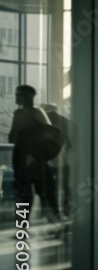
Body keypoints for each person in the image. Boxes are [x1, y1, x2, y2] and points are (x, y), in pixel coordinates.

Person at [9, 85, 59, 221]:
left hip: (31, 159)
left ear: (25, 96)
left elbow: (13, 137)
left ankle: (27, 224)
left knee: (36, 193)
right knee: (38, 193)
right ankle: (52, 223)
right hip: (29, 159)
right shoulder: (25, 113)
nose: (16, 97)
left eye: (18, 94)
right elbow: (13, 137)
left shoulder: (29, 113)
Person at [40, 103, 73, 216]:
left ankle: (51, 211)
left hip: (46, 158)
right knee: (66, 184)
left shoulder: (42, 121)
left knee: (48, 186)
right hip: (64, 157)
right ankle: (67, 209)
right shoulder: (66, 121)